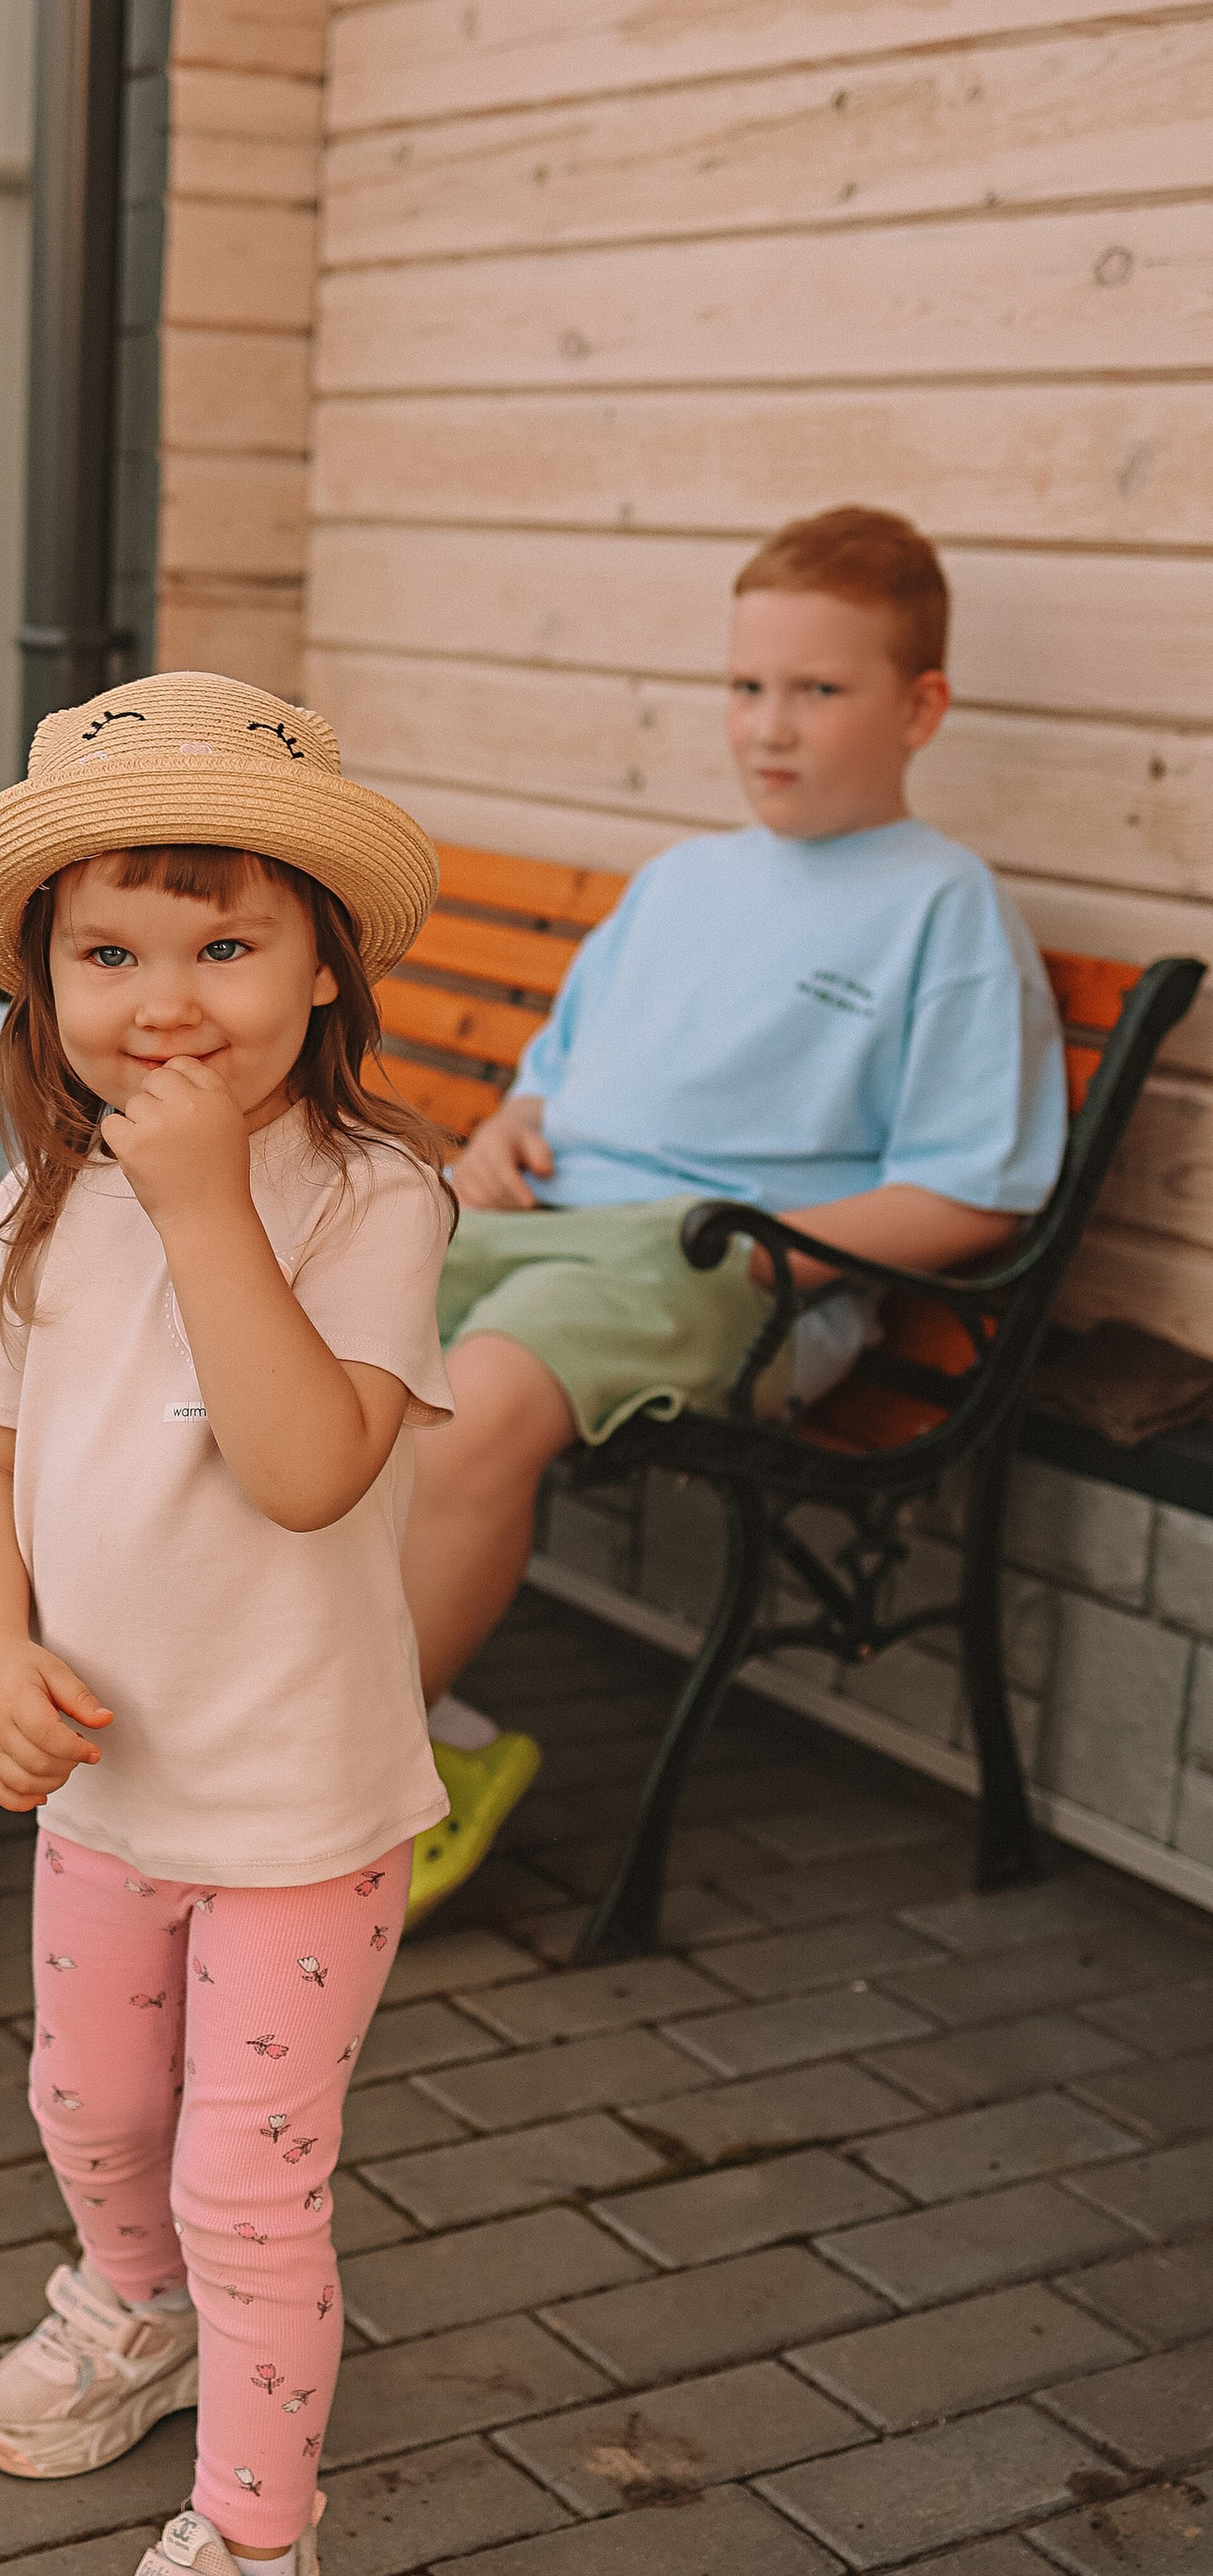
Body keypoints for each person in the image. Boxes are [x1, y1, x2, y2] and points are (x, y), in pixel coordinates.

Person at [0, 671, 448, 2576]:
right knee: (89, 2102)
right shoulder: (33, 1213)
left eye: (223, 945)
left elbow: (312, 1463)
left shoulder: (364, 1202)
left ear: (318, 964)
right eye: (107, 953)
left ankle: (256, 2573)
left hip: (299, 1814)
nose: (164, 1002)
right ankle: (125, 2310)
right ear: (42, 983)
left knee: (251, 2183)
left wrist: (209, 1202)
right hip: (108, 1796)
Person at [400, 505, 1067, 1918]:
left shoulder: (943, 911)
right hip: (547, 1227)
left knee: (477, 1399)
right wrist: (505, 1134)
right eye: (748, 687)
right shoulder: (682, 883)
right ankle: (353, 1723)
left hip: (726, 1274)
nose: (771, 727)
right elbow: (555, 1083)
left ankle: (336, 1785)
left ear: (920, 706)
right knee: (286, 1340)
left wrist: (775, 1263)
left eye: (819, 691)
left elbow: (975, 1189)